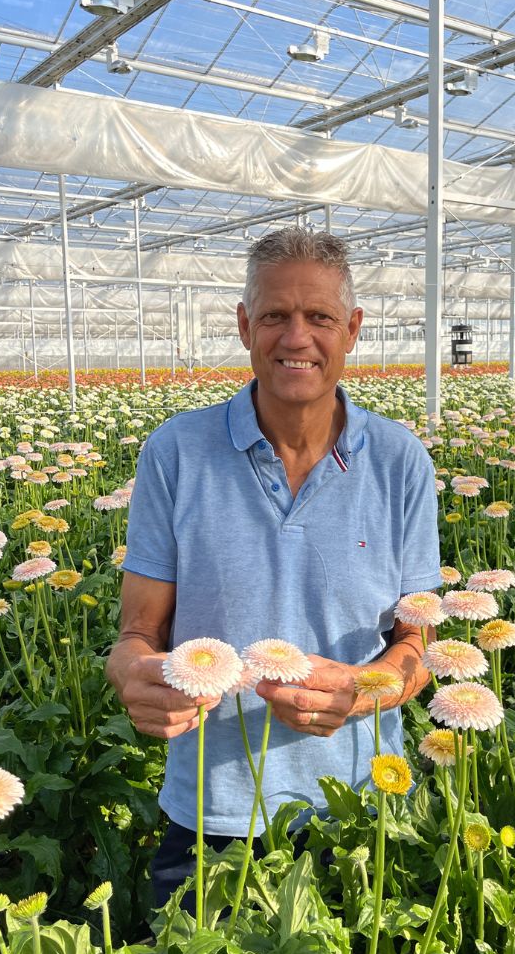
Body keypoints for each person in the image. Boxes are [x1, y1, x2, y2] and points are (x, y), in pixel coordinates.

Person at [106, 227, 441, 907]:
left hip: (360, 805)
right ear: (243, 327)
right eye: (274, 317)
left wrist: (369, 689)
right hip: (211, 808)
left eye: (318, 317)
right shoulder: (176, 452)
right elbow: (138, 633)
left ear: (351, 330)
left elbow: (419, 638)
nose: (296, 338)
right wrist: (130, 673)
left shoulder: (401, 462)